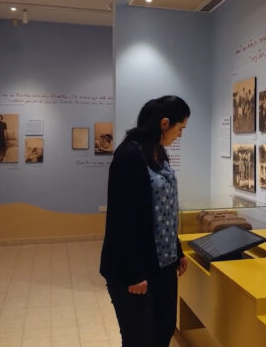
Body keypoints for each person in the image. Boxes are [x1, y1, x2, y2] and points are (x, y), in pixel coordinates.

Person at [100, 95, 190, 347]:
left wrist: (177, 250)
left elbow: (165, 210)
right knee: (139, 339)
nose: (180, 135)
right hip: (135, 268)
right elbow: (121, 219)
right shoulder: (128, 155)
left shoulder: (158, 152)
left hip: (163, 264)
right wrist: (133, 273)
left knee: (164, 330)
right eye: (180, 128)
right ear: (164, 123)